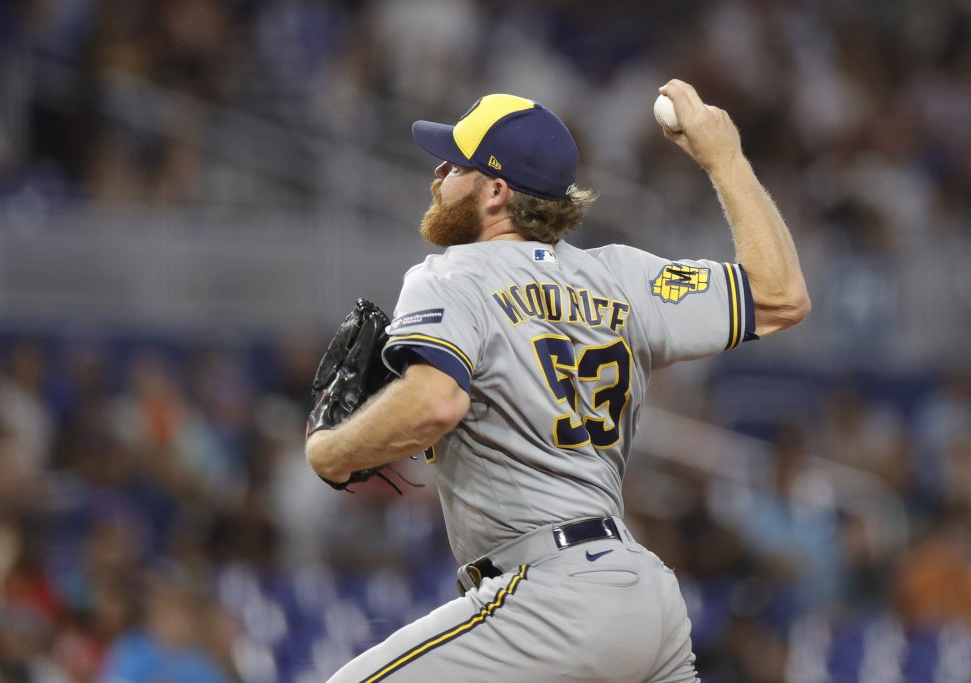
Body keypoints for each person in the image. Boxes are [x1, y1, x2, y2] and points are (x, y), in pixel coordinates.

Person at [305, 80, 809, 682]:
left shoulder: (452, 275)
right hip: (646, 600)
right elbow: (781, 297)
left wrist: (331, 452)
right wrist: (725, 159)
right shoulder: (622, 277)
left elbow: (435, 404)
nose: (439, 175)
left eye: (457, 165)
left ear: (496, 191)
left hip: (550, 600)